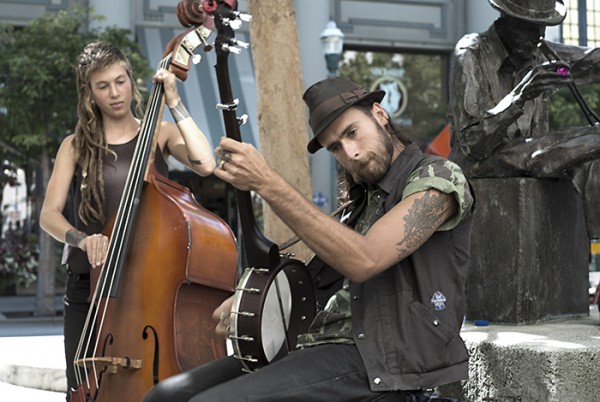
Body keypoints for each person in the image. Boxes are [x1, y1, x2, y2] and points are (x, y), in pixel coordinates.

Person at [143, 76, 475, 402]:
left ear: (379, 114)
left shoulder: (440, 178)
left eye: (352, 133)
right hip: (318, 344)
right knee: (166, 395)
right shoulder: (360, 202)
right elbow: (317, 285)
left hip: (381, 358)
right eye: (336, 148)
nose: (350, 153)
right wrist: (259, 304)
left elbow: (365, 259)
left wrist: (267, 183)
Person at [39, 40, 216, 401]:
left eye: (120, 81)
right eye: (103, 86)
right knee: (84, 387)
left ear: (132, 81)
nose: (114, 93)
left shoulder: (158, 134)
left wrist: (175, 102)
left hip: (148, 283)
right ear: (89, 93)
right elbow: (48, 215)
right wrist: (80, 238)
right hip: (89, 285)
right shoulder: (74, 145)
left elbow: (206, 163)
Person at [448, 0, 600, 239]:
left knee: (591, 161)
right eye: (529, 27)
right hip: (481, 163)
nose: (537, 37)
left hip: (531, 155)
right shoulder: (471, 53)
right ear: (505, 19)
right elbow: (471, 143)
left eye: (543, 28)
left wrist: (565, 72)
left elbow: (590, 62)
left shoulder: (541, 53)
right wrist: (520, 96)